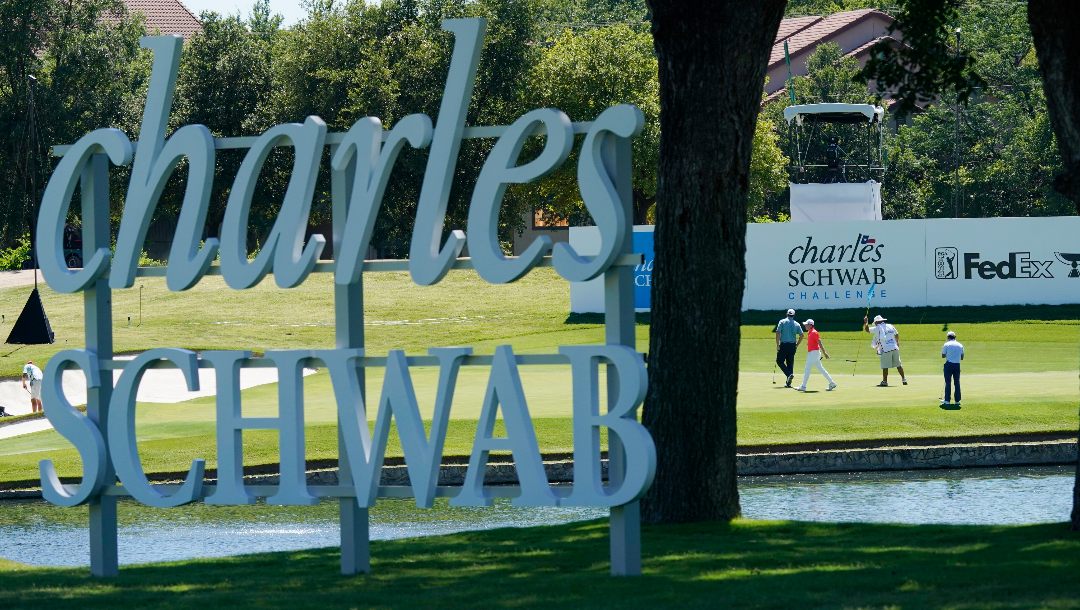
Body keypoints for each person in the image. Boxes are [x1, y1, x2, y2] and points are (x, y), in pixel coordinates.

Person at [864, 314, 907, 387]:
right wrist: (897, 342)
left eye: (876, 322)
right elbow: (896, 334)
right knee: (898, 365)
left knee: (885, 366)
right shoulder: (890, 326)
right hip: (895, 347)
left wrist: (866, 322)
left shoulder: (877, 328)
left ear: (877, 322)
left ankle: (884, 381)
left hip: (886, 349)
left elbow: (867, 330)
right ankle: (904, 379)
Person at [796, 319, 837, 392]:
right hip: (814, 353)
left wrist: (825, 353)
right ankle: (832, 383)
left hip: (813, 353)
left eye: (806, 324)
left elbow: (819, 342)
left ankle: (803, 386)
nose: (805, 325)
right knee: (821, 369)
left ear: (810, 325)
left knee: (807, 369)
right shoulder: (810, 332)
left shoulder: (814, 332)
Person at [774, 308, 803, 387]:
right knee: (790, 363)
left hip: (783, 345)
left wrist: (777, 344)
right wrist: (797, 345)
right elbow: (802, 335)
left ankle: (789, 374)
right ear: (793, 315)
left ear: (787, 314)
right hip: (792, 346)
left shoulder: (782, 322)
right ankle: (788, 383)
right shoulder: (796, 324)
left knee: (779, 361)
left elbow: (778, 332)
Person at [941, 330, 964, 407]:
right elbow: (962, 357)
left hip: (949, 365)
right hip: (957, 365)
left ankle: (947, 401)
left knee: (948, 383)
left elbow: (943, 355)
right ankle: (957, 401)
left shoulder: (946, 344)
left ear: (948, 337)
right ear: (955, 337)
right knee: (957, 383)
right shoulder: (960, 345)